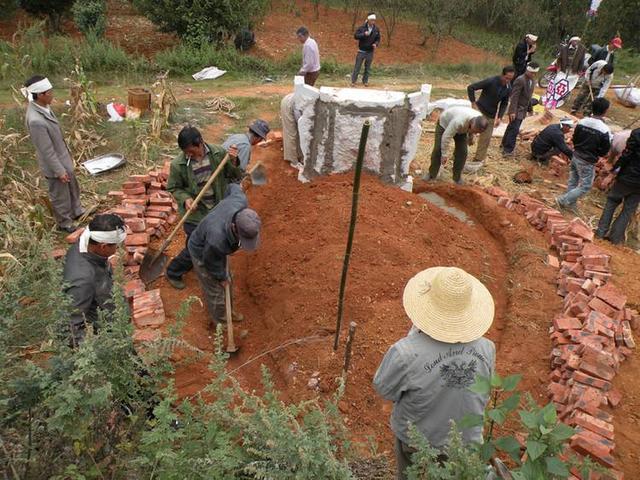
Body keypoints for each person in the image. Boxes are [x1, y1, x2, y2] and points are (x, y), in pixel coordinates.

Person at [373, 267, 496, 480]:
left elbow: (384, 388)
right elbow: (483, 390)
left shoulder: (406, 352)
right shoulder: (487, 348)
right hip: (466, 445)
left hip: (417, 442)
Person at [166, 126, 243, 290]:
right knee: (195, 247)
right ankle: (174, 271)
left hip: (216, 211)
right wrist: (186, 199)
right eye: (186, 152)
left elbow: (234, 175)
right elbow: (173, 188)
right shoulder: (178, 164)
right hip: (196, 214)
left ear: (200, 143)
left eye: (191, 152)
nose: (188, 155)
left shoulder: (218, 154)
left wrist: (234, 161)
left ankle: (214, 270)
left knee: (212, 244)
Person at [188, 183, 261, 330]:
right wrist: (221, 277)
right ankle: (221, 323)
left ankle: (229, 312)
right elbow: (210, 261)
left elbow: (232, 186)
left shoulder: (240, 200)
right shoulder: (217, 239)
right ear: (234, 228)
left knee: (229, 280)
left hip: (216, 248)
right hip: (201, 251)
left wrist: (222, 205)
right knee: (215, 289)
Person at [23, 75, 85, 233]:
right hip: (54, 163)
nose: (53, 95)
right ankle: (64, 223)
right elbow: (46, 151)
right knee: (60, 194)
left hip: (62, 156)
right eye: (50, 92)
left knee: (72, 186)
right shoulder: (36, 120)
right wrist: (59, 171)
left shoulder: (43, 107)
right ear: (41, 95)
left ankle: (76, 211)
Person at [63, 214, 127, 347]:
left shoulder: (87, 240)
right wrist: (101, 350)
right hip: (103, 326)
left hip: (101, 300)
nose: (119, 248)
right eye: (116, 245)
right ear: (103, 247)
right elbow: (72, 328)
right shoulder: (83, 281)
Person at [556, 98, 612, 211]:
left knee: (573, 181)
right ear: (605, 111)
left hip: (576, 155)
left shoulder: (582, 122)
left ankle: (570, 205)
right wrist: (597, 154)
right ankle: (562, 200)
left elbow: (574, 138)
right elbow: (605, 149)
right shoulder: (604, 129)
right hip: (587, 160)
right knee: (585, 186)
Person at [596, 128, 640, 244]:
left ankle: (600, 233)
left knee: (611, 202)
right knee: (628, 210)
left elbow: (626, 156)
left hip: (627, 177)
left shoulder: (637, 133)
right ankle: (615, 239)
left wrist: (613, 172)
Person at [424, 107, 488, 185]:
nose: (476, 133)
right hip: (445, 124)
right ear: (471, 125)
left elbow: (473, 129)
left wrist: (471, 136)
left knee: (462, 152)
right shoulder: (458, 121)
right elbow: (446, 137)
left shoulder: (479, 119)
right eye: (474, 131)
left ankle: (457, 178)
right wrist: (444, 154)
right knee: (438, 150)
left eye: (477, 132)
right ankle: (431, 174)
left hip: (462, 130)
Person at [466, 66, 515, 164]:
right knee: (468, 132)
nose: (508, 81)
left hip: (491, 115)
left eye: (510, 79)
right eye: (506, 78)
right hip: (480, 111)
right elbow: (471, 87)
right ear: (502, 75)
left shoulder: (508, 88)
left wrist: (500, 117)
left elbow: (504, 103)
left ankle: (478, 160)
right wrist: (473, 103)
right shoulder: (491, 81)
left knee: (486, 138)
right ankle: (467, 142)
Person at [501, 62, 539, 156]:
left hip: (523, 108)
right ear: (527, 70)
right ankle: (508, 150)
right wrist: (512, 111)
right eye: (530, 72)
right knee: (514, 129)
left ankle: (504, 144)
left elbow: (528, 97)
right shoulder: (520, 80)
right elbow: (514, 96)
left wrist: (530, 109)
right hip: (517, 108)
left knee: (511, 127)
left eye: (534, 73)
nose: (532, 74)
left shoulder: (532, 80)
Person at [351, 13, 381, 87]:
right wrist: (364, 34)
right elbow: (355, 36)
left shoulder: (376, 29)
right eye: (371, 20)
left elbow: (378, 38)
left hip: (370, 51)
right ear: (368, 20)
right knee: (357, 67)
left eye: (374, 20)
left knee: (368, 68)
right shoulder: (362, 28)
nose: (373, 22)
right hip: (361, 51)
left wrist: (375, 44)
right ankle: (353, 81)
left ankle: (365, 81)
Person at [280, 93, 303, 165]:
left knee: (301, 133)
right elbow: (299, 120)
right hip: (288, 105)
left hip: (295, 105)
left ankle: (300, 155)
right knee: (291, 134)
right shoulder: (298, 104)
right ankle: (293, 161)